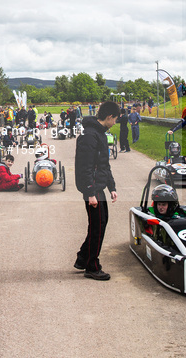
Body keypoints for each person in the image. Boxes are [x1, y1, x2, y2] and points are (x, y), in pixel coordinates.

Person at [74, 101, 120, 281]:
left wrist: (112, 187)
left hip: (98, 186)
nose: (115, 123)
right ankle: (91, 266)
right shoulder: (89, 136)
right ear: (109, 117)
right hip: (92, 188)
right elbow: (85, 167)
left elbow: (104, 165)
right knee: (97, 227)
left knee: (101, 222)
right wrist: (90, 192)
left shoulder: (99, 134)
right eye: (115, 119)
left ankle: (83, 258)